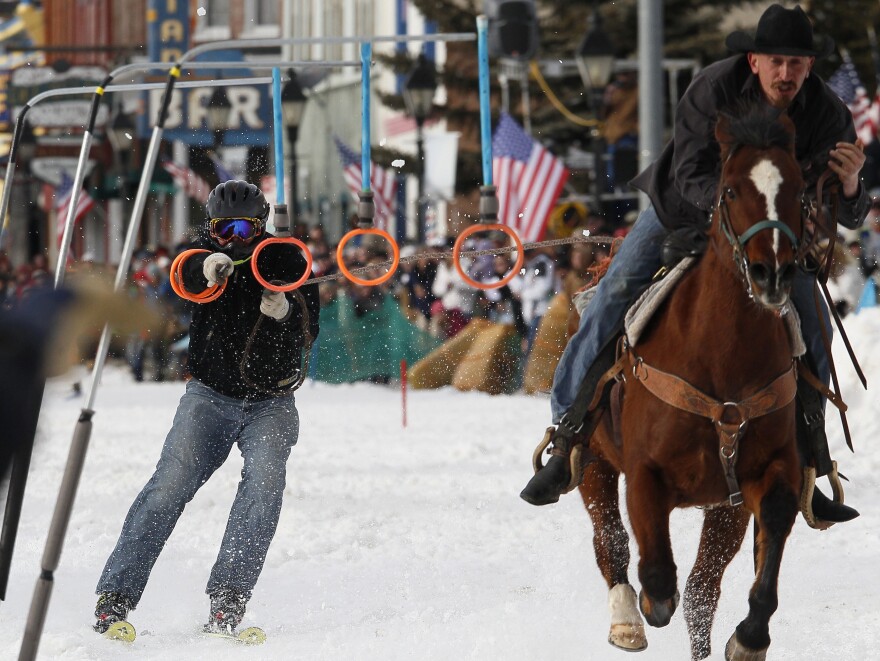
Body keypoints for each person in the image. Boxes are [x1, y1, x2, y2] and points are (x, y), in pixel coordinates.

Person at [520, 4, 867, 527]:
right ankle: (566, 436)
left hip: (767, 234)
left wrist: (851, 185)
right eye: (776, 61)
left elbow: (849, 211)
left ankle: (811, 465)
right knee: (614, 293)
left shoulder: (827, 114)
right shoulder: (712, 88)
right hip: (681, 211)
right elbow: (687, 172)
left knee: (813, 320)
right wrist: (733, 220)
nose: (786, 73)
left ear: (810, 66)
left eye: (798, 63)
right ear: (753, 60)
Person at [93, 180, 320, 635]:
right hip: (210, 397)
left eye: (241, 229)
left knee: (263, 492)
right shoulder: (201, 255)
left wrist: (286, 311)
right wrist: (206, 269)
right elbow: (183, 281)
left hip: (271, 402)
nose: (231, 239)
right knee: (169, 486)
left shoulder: (286, 258)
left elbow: (308, 321)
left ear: (259, 226)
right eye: (221, 229)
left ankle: (228, 599)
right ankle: (115, 596)